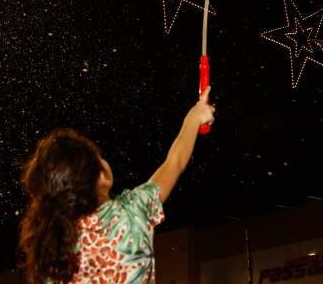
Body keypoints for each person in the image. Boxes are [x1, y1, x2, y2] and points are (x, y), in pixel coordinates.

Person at [19, 88, 215, 284]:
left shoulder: (52, 251)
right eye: (99, 157)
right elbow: (175, 162)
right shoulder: (131, 214)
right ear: (102, 177)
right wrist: (194, 116)